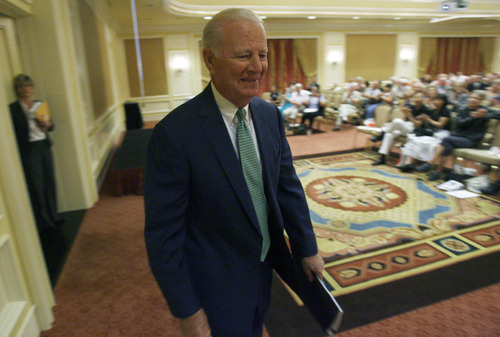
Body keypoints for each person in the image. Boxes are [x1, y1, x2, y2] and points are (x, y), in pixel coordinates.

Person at [144, 8, 323, 337]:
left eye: (263, 54)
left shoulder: (269, 116)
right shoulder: (175, 134)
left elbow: (287, 188)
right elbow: (163, 237)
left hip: (265, 267)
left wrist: (307, 246)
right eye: (244, 55)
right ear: (210, 60)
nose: (257, 67)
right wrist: (187, 309)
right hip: (215, 285)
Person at [9, 74, 63, 231]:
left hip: (44, 146)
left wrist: (47, 124)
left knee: (49, 182)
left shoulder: (39, 104)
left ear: (32, 88)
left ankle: (54, 215)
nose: (25, 89)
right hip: (29, 149)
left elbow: (51, 126)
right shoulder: (12, 109)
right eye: (21, 86)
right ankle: (44, 220)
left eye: (28, 86)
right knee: (36, 185)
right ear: (17, 90)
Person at [427, 92, 490, 181]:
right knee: (446, 145)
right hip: (458, 138)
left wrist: (485, 114)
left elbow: (497, 114)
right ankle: (438, 172)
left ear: (481, 101)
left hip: (471, 140)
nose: (473, 100)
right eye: (472, 97)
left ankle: (431, 163)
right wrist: (474, 117)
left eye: (477, 98)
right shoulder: (463, 110)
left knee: (446, 140)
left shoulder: (484, 111)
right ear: (468, 99)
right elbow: (460, 123)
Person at [371, 92, 429, 166]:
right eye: (416, 97)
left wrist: (410, 115)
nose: (417, 99)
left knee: (397, 121)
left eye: (419, 97)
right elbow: (403, 115)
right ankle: (382, 158)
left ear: (423, 99)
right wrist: (405, 105)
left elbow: (417, 125)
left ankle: (381, 134)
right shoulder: (411, 106)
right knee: (389, 134)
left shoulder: (425, 109)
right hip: (405, 127)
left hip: (414, 130)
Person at [399, 94, 451, 172]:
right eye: (435, 100)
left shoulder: (446, 111)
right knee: (415, 140)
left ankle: (428, 164)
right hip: (432, 131)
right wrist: (423, 119)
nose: (437, 102)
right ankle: (409, 164)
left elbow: (440, 125)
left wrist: (428, 119)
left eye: (439, 100)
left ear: (444, 102)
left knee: (427, 143)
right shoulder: (433, 110)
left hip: (442, 133)